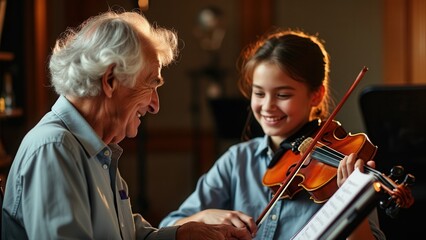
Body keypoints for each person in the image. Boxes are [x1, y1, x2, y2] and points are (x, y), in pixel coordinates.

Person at [1, 9, 252, 240]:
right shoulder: (55, 147)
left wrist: (182, 235)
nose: (155, 105)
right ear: (110, 80)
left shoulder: (96, 147)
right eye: (151, 84)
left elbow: (127, 235)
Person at [159, 29, 387, 240]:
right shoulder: (237, 161)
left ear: (316, 95)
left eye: (283, 95)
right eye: (259, 93)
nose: (267, 106)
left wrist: (349, 199)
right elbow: (167, 227)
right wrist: (204, 216)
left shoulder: (339, 167)